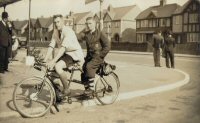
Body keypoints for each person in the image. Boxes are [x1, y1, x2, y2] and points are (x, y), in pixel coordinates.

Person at [44, 14, 84, 97]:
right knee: (51, 70)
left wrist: (53, 60)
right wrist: (45, 59)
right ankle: (57, 92)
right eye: (55, 22)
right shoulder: (55, 32)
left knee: (58, 66)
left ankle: (66, 89)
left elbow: (62, 48)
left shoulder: (68, 31)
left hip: (74, 54)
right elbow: (51, 45)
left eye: (58, 22)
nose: (56, 24)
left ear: (62, 22)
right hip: (66, 53)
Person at [78, 17, 110, 94]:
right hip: (90, 57)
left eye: (90, 23)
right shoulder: (87, 34)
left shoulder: (100, 33)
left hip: (98, 57)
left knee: (89, 66)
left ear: (95, 24)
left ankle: (91, 89)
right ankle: (87, 89)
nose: (88, 25)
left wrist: (100, 55)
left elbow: (107, 46)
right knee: (83, 70)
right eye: (87, 23)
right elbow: (78, 37)